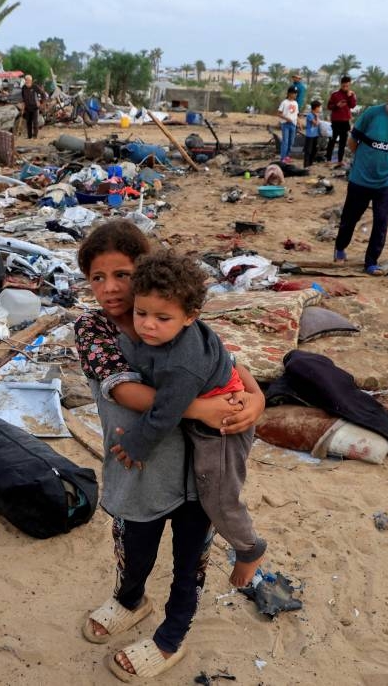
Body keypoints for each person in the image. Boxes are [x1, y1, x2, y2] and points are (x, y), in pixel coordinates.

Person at [75, 219, 265, 681]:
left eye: (122, 274)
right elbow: (124, 392)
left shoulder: (179, 317)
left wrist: (255, 401)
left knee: (188, 563)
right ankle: (130, 600)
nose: (110, 288)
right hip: (139, 470)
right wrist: (202, 409)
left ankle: (171, 638)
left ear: (144, 271)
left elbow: (233, 368)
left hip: (197, 475)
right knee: (134, 546)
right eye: (97, 278)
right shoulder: (95, 329)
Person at [115, 249, 266, 581]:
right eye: (141, 313)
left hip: (225, 427)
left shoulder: (183, 365)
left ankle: (248, 548)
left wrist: (136, 445)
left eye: (162, 318)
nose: (148, 325)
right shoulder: (164, 336)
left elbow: (166, 412)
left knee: (218, 497)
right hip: (211, 410)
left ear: (190, 316)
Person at [333, 80, 388, 275]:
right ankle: (340, 248)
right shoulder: (372, 114)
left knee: (380, 222)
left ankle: (371, 262)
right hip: (360, 179)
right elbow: (353, 141)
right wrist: (364, 162)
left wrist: (386, 164)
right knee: (350, 218)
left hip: (387, 182)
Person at [326, 75, 357, 164]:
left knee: (343, 142)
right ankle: (328, 159)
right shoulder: (335, 94)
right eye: (344, 86)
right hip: (336, 120)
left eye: (347, 86)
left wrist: (350, 96)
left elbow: (353, 105)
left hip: (345, 121)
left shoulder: (351, 94)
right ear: (341, 84)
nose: (345, 88)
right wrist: (337, 106)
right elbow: (329, 106)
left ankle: (340, 160)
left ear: (349, 85)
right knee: (332, 140)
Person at [20, 74, 47, 139]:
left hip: (35, 107)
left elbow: (43, 94)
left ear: (31, 80)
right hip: (27, 108)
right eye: (26, 80)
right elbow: (23, 97)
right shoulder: (23, 87)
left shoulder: (35, 87)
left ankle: (35, 136)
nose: (27, 81)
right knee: (28, 122)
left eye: (28, 80)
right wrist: (23, 103)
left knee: (35, 122)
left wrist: (41, 103)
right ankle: (29, 136)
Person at [277, 86, 299, 163]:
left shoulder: (296, 103)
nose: (295, 94)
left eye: (296, 93)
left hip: (293, 124)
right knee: (285, 141)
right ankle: (283, 157)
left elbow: (296, 114)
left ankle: (287, 156)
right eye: (293, 93)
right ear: (289, 93)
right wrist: (286, 118)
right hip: (285, 124)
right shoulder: (284, 102)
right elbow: (279, 113)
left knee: (291, 141)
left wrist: (298, 122)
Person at [303, 100, 323, 168]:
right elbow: (316, 123)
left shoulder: (316, 115)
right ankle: (306, 165)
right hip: (310, 135)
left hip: (315, 135)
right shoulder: (310, 115)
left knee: (314, 150)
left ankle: (310, 163)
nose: (320, 109)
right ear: (316, 107)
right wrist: (317, 117)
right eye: (319, 107)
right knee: (308, 150)